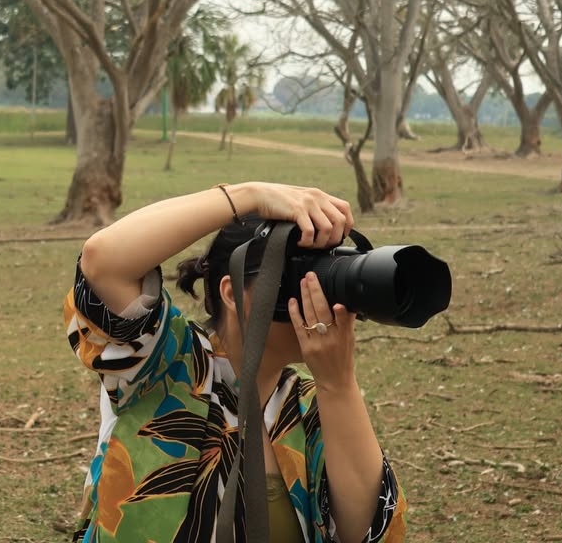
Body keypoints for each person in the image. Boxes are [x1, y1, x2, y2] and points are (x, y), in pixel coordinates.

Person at [65, 182, 407, 543]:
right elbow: (102, 262)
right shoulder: (166, 364)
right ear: (232, 293)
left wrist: (338, 383)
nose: (318, 297)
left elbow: (369, 533)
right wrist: (249, 195)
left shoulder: (309, 407)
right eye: (296, 278)